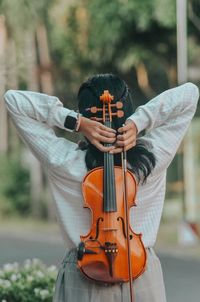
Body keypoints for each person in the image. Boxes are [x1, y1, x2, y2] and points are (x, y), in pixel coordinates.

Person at [3, 74, 199, 302]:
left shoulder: (64, 161)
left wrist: (74, 122)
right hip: (140, 270)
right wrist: (139, 121)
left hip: (85, 271)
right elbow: (189, 94)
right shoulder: (153, 158)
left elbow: (13, 100)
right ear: (126, 110)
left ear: (85, 115)